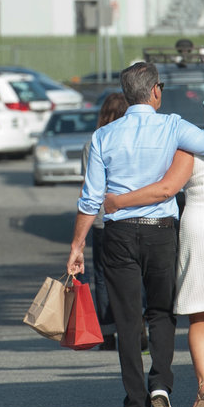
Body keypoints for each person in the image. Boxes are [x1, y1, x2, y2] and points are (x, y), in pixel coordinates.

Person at [66, 62, 204, 407]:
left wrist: (77, 245)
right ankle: (162, 388)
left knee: (128, 320)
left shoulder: (103, 136)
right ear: (156, 91)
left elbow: (91, 199)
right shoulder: (174, 126)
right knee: (162, 313)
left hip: (119, 235)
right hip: (162, 231)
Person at [81, 92, 128, 351]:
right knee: (134, 273)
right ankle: (137, 328)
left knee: (102, 276)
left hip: (100, 219)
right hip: (130, 215)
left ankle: (107, 333)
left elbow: (87, 189)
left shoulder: (94, 142)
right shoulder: (132, 139)